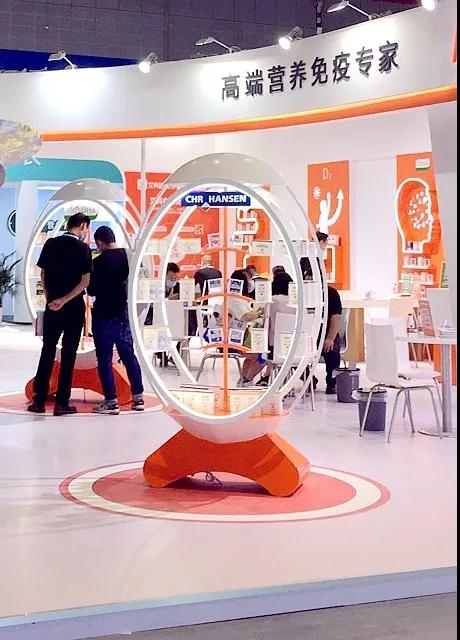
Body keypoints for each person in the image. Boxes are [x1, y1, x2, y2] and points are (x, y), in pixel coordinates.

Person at [28, 213, 92, 416]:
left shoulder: (51, 244)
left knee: (47, 350)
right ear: (82, 226)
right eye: (86, 228)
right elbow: (85, 282)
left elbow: (43, 274)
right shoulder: (83, 249)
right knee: (69, 353)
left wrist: (51, 299)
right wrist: (65, 300)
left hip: (52, 305)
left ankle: (39, 400)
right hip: (73, 307)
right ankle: (61, 403)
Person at [87, 226, 144, 415]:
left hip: (103, 315)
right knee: (129, 356)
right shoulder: (129, 257)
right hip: (123, 314)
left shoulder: (97, 263)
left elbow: (91, 291)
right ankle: (138, 398)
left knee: (104, 359)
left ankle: (111, 402)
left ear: (99, 243)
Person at [227, 269, 265, 387]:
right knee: (263, 356)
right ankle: (247, 381)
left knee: (253, 355)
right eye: (248, 279)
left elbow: (249, 313)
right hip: (232, 340)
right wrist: (260, 312)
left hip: (238, 337)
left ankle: (243, 381)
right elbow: (247, 316)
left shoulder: (238, 299)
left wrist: (257, 313)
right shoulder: (234, 299)